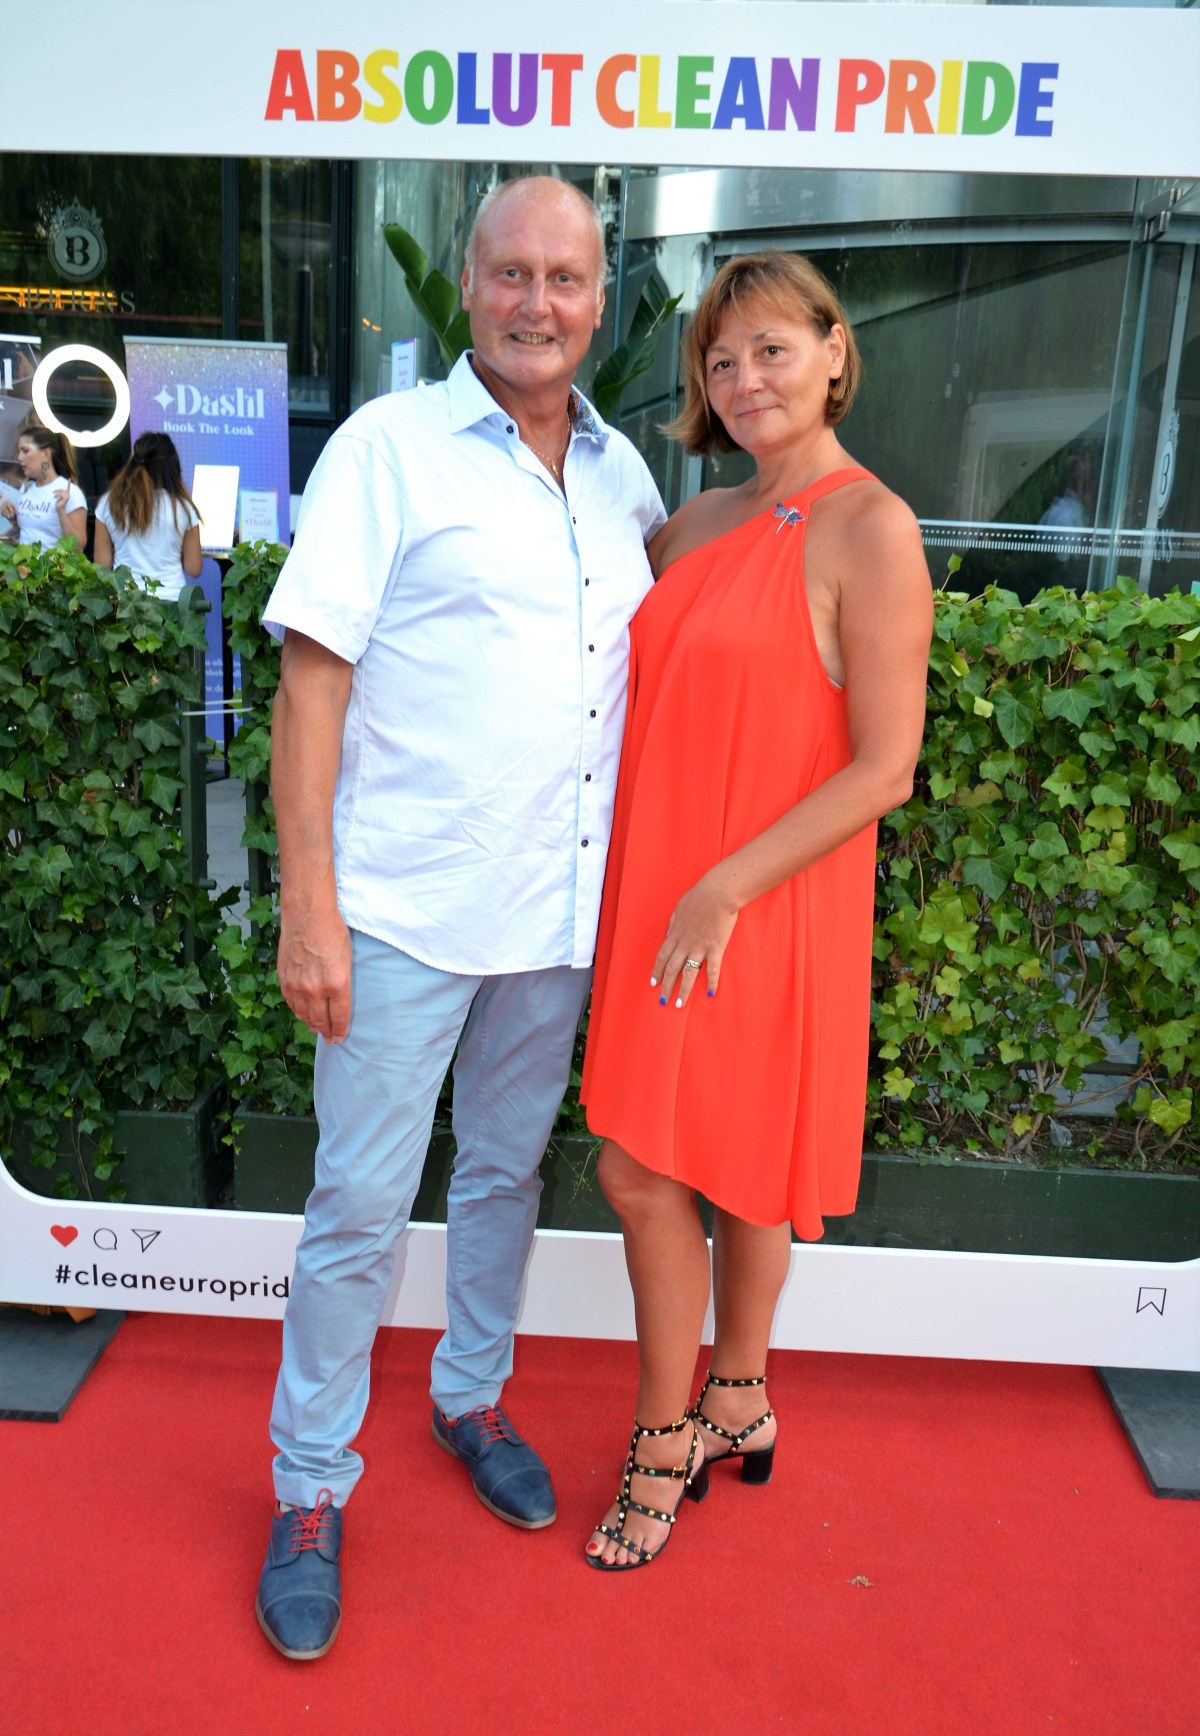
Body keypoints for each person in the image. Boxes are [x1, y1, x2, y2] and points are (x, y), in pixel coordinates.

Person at [254, 175, 665, 1659]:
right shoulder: (389, 450)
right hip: (404, 912)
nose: (535, 302)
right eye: (510, 273)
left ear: (600, 301)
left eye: (565, 277)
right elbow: (312, 681)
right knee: (359, 1209)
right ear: (470, 284)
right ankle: (311, 1485)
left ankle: (470, 1396)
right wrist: (309, 906)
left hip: (555, 916)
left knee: (503, 1177)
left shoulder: (625, 479)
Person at [579, 252, 933, 1570]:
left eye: (772, 349)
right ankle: (737, 1398)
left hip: (756, 903)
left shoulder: (872, 527)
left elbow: (885, 767)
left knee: (654, 1169)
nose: (743, 380)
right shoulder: (692, 520)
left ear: (836, 352)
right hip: (661, 894)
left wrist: (724, 886)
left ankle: (663, 1436)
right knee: (702, 1169)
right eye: (720, 361)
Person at [93, 431, 202, 600]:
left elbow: (102, 566)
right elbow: (193, 568)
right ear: (172, 467)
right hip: (172, 602)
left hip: (126, 602)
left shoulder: (109, 504)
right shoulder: (183, 507)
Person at [0, 424, 86, 551]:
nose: (19, 457)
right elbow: (29, 532)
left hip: (53, 563)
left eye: (25, 451)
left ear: (45, 453)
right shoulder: (26, 488)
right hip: (25, 562)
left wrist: (61, 511)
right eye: (19, 451)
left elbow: (78, 547)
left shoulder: (70, 492)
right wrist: (12, 517)